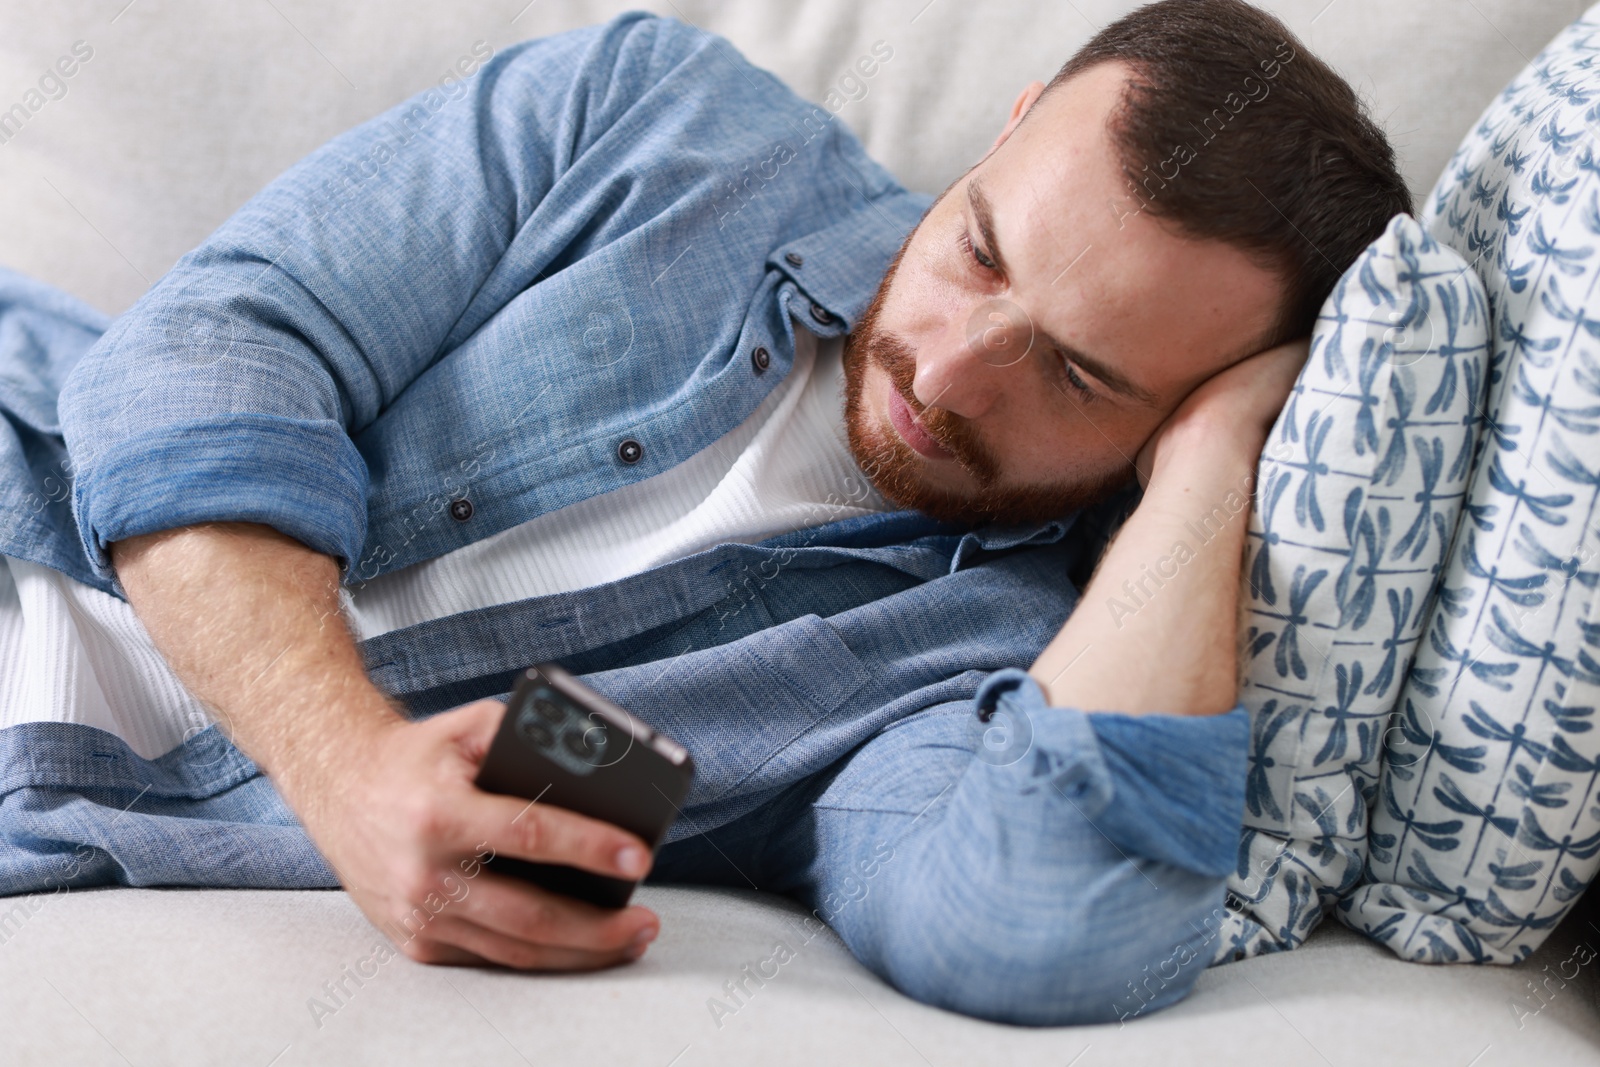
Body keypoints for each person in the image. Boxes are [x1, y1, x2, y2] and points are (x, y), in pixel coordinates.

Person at [0, 0, 1410, 1025]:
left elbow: (1045, 927)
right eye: (982, 248)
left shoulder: (962, 668)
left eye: (1082, 371)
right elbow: (202, 355)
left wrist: (1219, 464)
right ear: (1015, 124)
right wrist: (343, 762)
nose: (958, 366)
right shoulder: (656, 112)